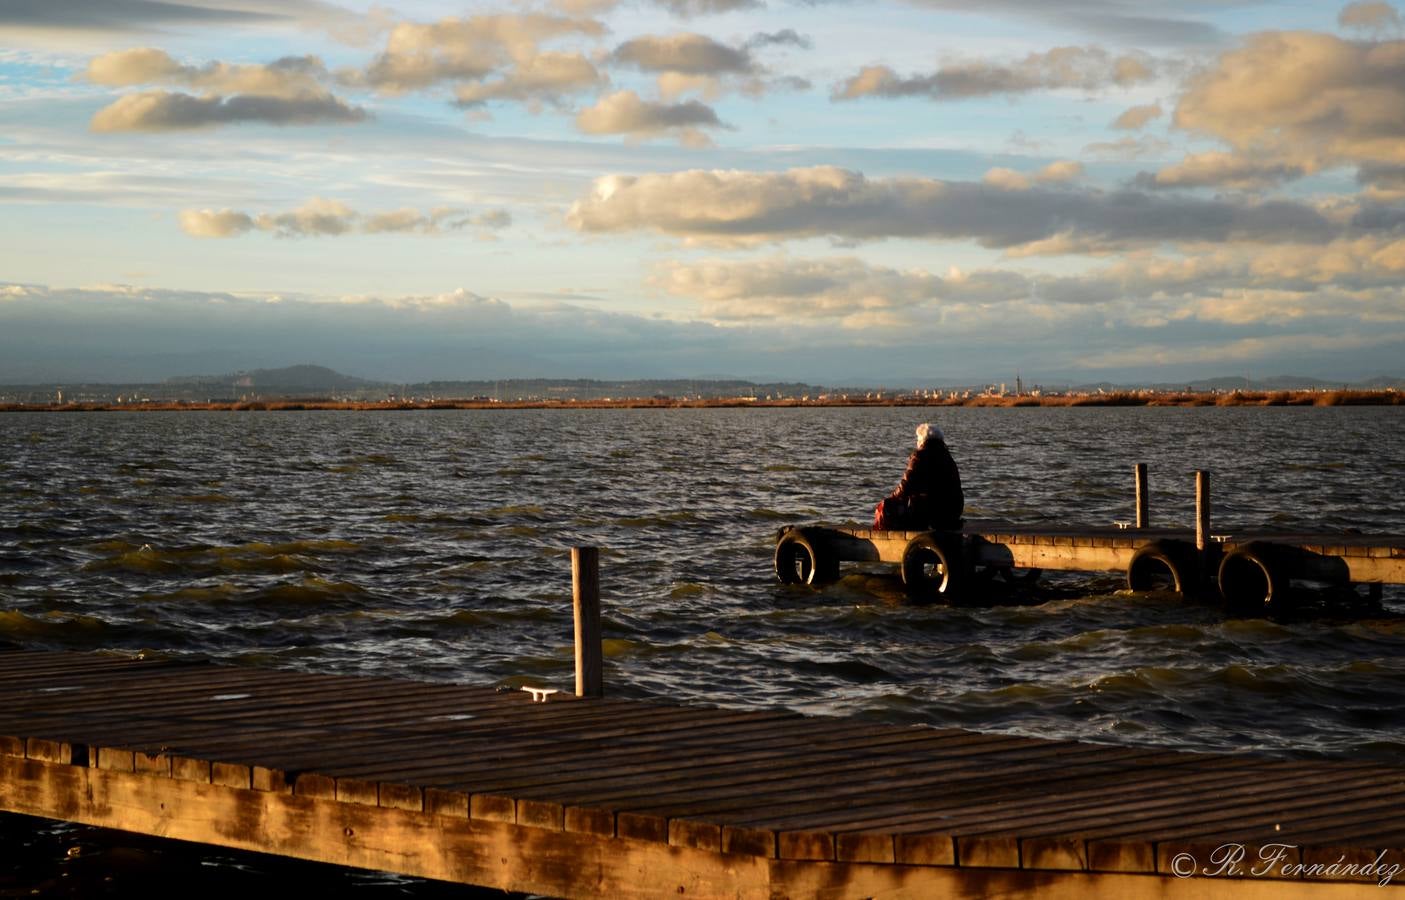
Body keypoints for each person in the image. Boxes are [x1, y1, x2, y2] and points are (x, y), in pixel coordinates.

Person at [874, 422, 964, 531]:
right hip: (953, 511)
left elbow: (905, 486)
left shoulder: (920, 455)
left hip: (932, 512)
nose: (917, 442)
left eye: (917, 438)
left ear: (922, 440)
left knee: (887, 506)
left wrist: (891, 499)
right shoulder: (947, 456)